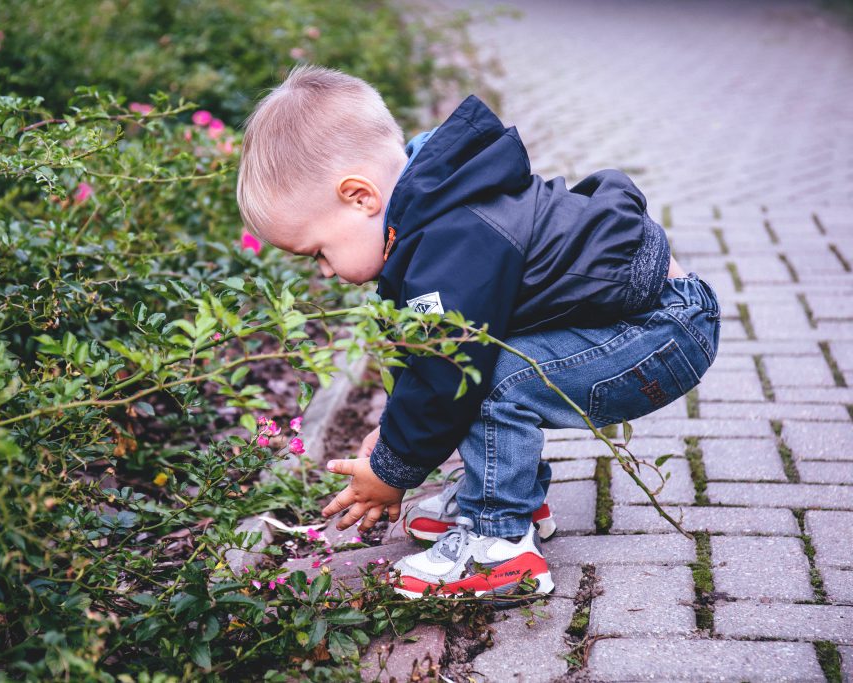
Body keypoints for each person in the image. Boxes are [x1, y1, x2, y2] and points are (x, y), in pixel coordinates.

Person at [236, 65, 719, 599]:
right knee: (480, 366)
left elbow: (447, 373)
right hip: (640, 322)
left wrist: (393, 469)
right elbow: (423, 354)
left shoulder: (451, 236)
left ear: (359, 197)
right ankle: (504, 497)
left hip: (658, 334)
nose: (324, 271)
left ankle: (498, 545)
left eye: (319, 253)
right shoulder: (431, 210)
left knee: (484, 379)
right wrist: (393, 434)